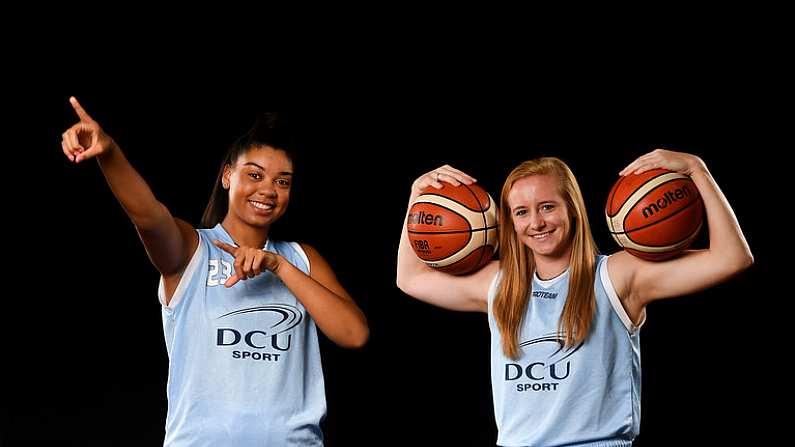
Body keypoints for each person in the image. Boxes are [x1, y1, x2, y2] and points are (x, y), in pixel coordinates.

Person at [61, 98, 369, 446]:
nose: (268, 190)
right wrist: (109, 153)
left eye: (283, 182)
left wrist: (278, 265)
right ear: (227, 176)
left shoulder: (300, 258)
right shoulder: (191, 250)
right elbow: (148, 215)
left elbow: (354, 334)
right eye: (254, 175)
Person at [396, 150, 753, 446]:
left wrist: (697, 170)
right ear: (509, 221)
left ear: (572, 209)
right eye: (522, 212)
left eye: (548, 206)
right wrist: (418, 197)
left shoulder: (617, 275)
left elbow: (731, 258)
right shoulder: (499, 283)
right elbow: (410, 278)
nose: (536, 222)